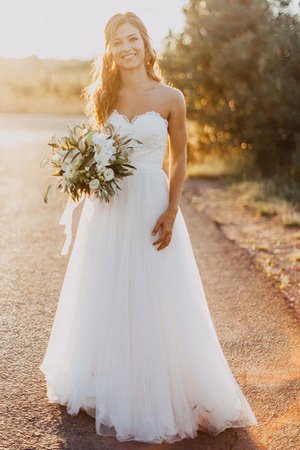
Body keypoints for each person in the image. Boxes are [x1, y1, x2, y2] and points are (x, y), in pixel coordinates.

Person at [39, 11, 257, 444]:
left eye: (132, 39)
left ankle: (160, 386)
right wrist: (85, 172)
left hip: (153, 201)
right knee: (109, 288)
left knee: (157, 292)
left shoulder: (171, 98)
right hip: (110, 207)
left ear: (145, 42)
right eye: (117, 41)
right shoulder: (104, 95)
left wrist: (173, 208)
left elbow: (179, 159)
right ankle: (112, 379)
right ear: (110, 49)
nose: (126, 48)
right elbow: (97, 148)